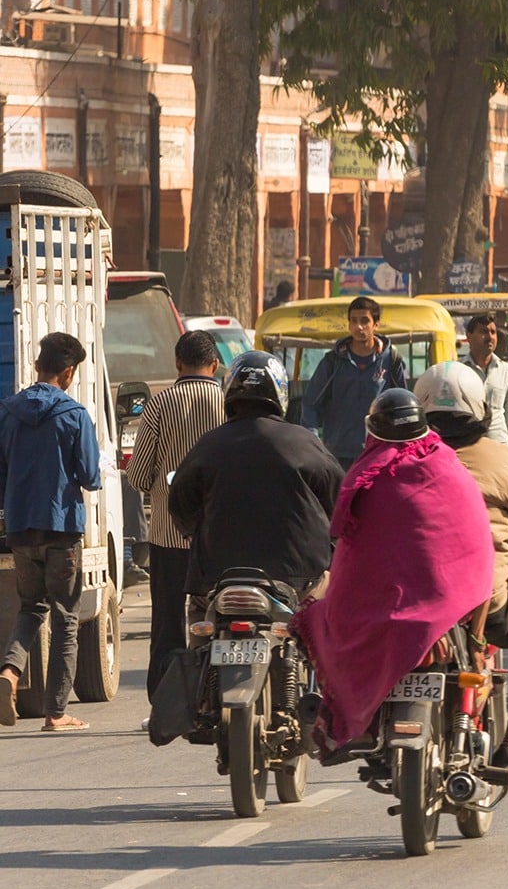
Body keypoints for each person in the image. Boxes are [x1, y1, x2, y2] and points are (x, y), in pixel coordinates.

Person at [292, 389, 495, 757]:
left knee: (322, 615)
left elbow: (350, 560)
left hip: (382, 618)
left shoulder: (363, 477)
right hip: (447, 611)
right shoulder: (447, 466)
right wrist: (478, 639)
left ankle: (362, 720)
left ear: (372, 431)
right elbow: (477, 547)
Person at [414, 363, 508, 780]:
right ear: (479, 411)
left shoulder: (401, 457)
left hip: (408, 601)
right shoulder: (500, 460)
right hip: (484, 602)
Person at [170, 352, 344, 618]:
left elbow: (180, 501)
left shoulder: (209, 445)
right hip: (299, 578)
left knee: (198, 622)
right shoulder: (304, 443)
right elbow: (338, 501)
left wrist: (200, 531)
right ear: (279, 393)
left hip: (216, 577)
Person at [0, 333, 101, 731]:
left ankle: (9, 673)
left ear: (37, 367)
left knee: (31, 608)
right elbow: (91, 477)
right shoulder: (74, 415)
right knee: (66, 617)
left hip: (21, 530)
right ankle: (55, 712)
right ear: (69, 372)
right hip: (61, 531)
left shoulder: (8, 413)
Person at [125, 330, 224, 705]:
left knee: (167, 622)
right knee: (220, 615)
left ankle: (167, 703)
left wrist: (164, 483)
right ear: (214, 364)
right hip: (218, 537)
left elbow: (136, 476)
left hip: (168, 535)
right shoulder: (227, 403)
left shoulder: (160, 404)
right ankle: (214, 694)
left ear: (177, 364)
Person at [301, 296, 408, 471]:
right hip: (337, 456)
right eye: (354, 321)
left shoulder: (391, 360)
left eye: (365, 321)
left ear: (376, 324)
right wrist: (314, 444)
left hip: (378, 455)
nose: (359, 327)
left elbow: (402, 406)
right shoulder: (333, 361)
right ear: (349, 324)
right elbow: (311, 404)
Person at [463, 312, 508, 462]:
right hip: (470, 450)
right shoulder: (459, 370)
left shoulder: (506, 371)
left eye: (493, 332)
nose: (490, 336)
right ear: (469, 336)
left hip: (501, 449)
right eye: (483, 332)